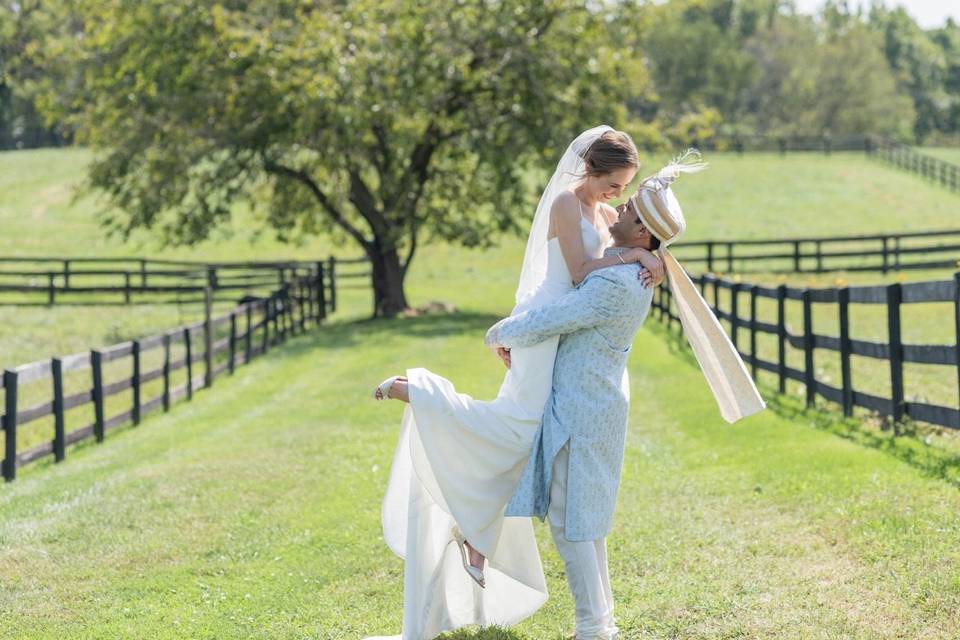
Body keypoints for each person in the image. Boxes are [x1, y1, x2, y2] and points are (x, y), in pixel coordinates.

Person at [364, 126, 663, 640]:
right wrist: (637, 257)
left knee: (528, 440)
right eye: (615, 183)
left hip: (564, 329)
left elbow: (629, 247)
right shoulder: (568, 205)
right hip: (548, 322)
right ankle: (423, 392)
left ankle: (473, 531)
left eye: (624, 187)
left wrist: (656, 258)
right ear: (590, 171)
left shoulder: (609, 215)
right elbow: (582, 271)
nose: (619, 196)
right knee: (517, 426)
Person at [485, 154, 766, 639]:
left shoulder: (614, 283)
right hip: (596, 401)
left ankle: (593, 627)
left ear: (642, 234)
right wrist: (644, 256)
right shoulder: (629, 267)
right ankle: (601, 624)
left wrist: (497, 332)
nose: (617, 213)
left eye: (630, 211)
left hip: (583, 405)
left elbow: (551, 320)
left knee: (571, 519)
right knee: (584, 517)